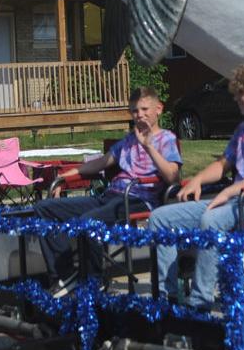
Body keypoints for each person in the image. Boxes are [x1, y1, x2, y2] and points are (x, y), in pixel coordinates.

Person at [148, 62, 244, 311]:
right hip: (237, 201)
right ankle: (168, 298)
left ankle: (201, 301)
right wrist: (197, 180)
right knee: (159, 218)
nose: (235, 97)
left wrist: (229, 190)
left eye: (241, 92)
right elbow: (222, 164)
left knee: (212, 221)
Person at [34, 87, 182, 288]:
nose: (139, 115)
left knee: (89, 221)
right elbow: (101, 163)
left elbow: (173, 177)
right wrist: (65, 177)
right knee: (45, 208)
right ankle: (64, 276)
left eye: (144, 109)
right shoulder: (128, 140)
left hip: (137, 200)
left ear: (159, 109)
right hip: (111, 196)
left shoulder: (167, 139)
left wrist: (148, 146)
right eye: (135, 111)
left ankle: (94, 283)